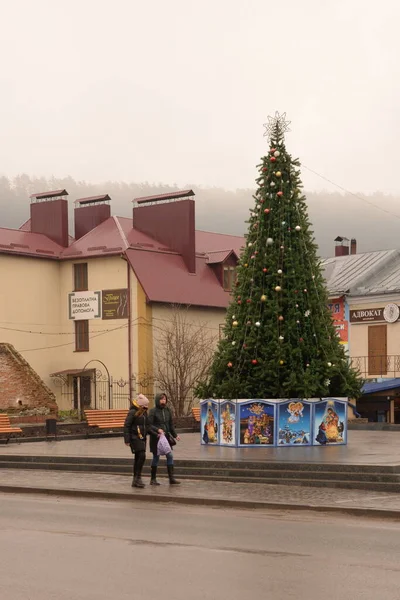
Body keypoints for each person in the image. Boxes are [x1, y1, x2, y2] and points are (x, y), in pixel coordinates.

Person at [148, 393, 180, 485]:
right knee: (156, 457)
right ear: (158, 400)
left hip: (166, 438)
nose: (163, 401)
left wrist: (175, 435)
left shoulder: (168, 410)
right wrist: (157, 430)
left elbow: (170, 424)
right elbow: (149, 425)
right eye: (161, 399)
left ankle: (171, 478)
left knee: (169, 455)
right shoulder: (153, 411)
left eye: (165, 399)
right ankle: (153, 479)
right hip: (156, 438)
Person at [123, 394, 149, 488]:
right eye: (144, 406)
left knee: (138, 457)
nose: (146, 408)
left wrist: (156, 432)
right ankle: (137, 477)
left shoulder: (144, 412)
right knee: (142, 455)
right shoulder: (133, 412)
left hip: (142, 437)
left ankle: (136, 478)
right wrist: (127, 439)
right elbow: (127, 425)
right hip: (135, 437)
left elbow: (147, 425)